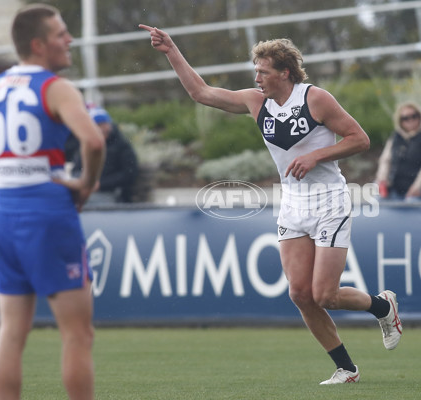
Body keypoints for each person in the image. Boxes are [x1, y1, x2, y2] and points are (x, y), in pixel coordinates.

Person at [139, 25, 402, 384]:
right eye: (256, 70)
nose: (257, 77)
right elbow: (201, 93)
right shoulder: (255, 101)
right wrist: (171, 50)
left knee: (324, 294)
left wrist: (316, 157)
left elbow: (360, 139)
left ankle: (382, 306)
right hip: (292, 203)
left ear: (285, 73)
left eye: (263, 70)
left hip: (329, 202)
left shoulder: (315, 99)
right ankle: (346, 368)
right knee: (299, 293)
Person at [0, 4, 105, 400]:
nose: (69, 40)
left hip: (5, 214)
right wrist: (86, 184)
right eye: (60, 34)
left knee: (10, 331)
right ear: (38, 44)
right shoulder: (54, 86)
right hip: (48, 212)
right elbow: (93, 140)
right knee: (77, 334)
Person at [69, 106, 139, 204]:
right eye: (98, 125)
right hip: (88, 190)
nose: (103, 128)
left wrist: (100, 184)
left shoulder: (122, 145)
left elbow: (129, 173)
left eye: (104, 124)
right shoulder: (84, 144)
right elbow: (76, 170)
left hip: (111, 192)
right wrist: (83, 183)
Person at [375, 101, 421, 201]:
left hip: (420, 190)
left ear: (420, 117)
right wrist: (382, 180)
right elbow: (385, 160)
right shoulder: (396, 137)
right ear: (400, 121)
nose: (410, 120)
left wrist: (417, 186)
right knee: (376, 198)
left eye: (414, 116)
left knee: (411, 203)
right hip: (394, 187)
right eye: (405, 118)